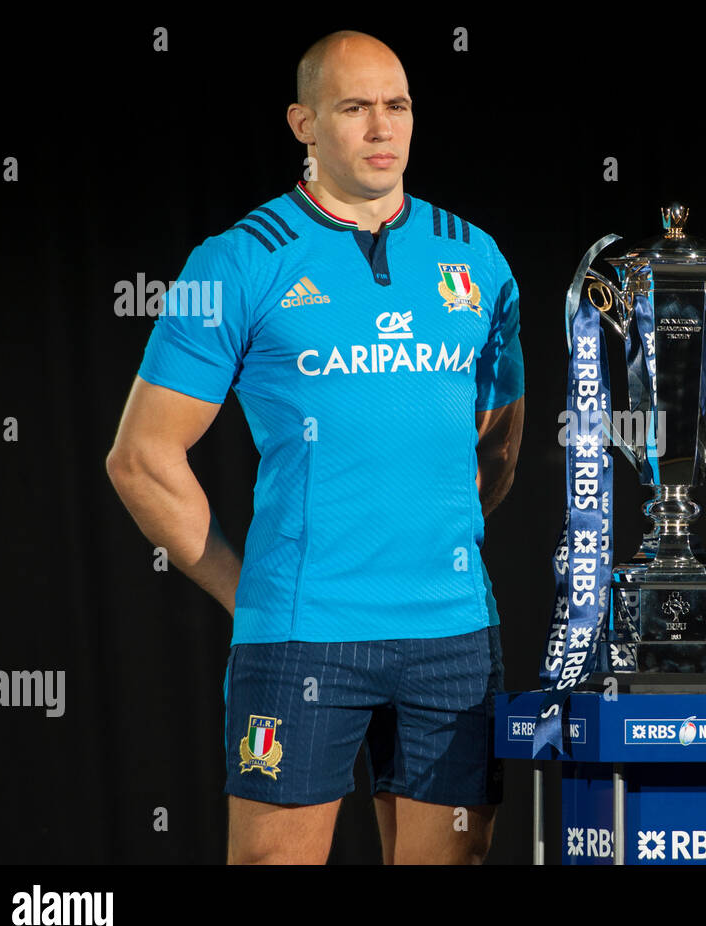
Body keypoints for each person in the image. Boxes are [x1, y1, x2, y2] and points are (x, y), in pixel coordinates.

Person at [105, 31, 524, 864]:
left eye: (396, 105)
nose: (381, 127)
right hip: (301, 638)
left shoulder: (476, 258)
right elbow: (142, 457)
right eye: (354, 107)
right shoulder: (234, 262)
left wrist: (430, 534)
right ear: (304, 122)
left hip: (452, 638)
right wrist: (246, 592)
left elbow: (499, 443)